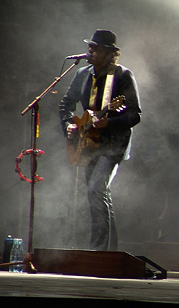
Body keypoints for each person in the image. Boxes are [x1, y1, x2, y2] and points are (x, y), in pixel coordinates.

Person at [59, 30, 141, 251]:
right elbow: (65, 104)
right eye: (90, 47)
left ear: (109, 53)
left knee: (96, 189)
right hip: (88, 143)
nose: (90, 51)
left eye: (96, 49)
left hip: (113, 144)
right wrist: (69, 125)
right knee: (97, 193)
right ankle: (109, 251)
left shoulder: (123, 76)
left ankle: (97, 250)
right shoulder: (83, 74)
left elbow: (135, 115)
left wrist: (110, 123)